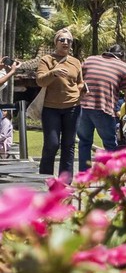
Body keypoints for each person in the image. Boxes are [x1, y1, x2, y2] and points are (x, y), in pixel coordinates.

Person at [36, 28, 84, 177]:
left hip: (73, 107)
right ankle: (45, 178)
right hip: (51, 108)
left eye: (69, 40)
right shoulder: (46, 60)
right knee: (52, 144)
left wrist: (82, 89)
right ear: (56, 43)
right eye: (62, 40)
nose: (65, 43)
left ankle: (65, 182)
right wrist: (53, 72)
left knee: (69, 145)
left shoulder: (76, 62)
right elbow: (40, 81)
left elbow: (80, 82)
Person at [77, 44, 126, 171]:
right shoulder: (122, 66)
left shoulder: (90, 59)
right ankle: (113, 176)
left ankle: (83, 177)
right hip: (103, 107)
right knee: (110, 143)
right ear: (122, 56)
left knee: (84, 142)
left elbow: (78, 78)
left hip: (83, 106)